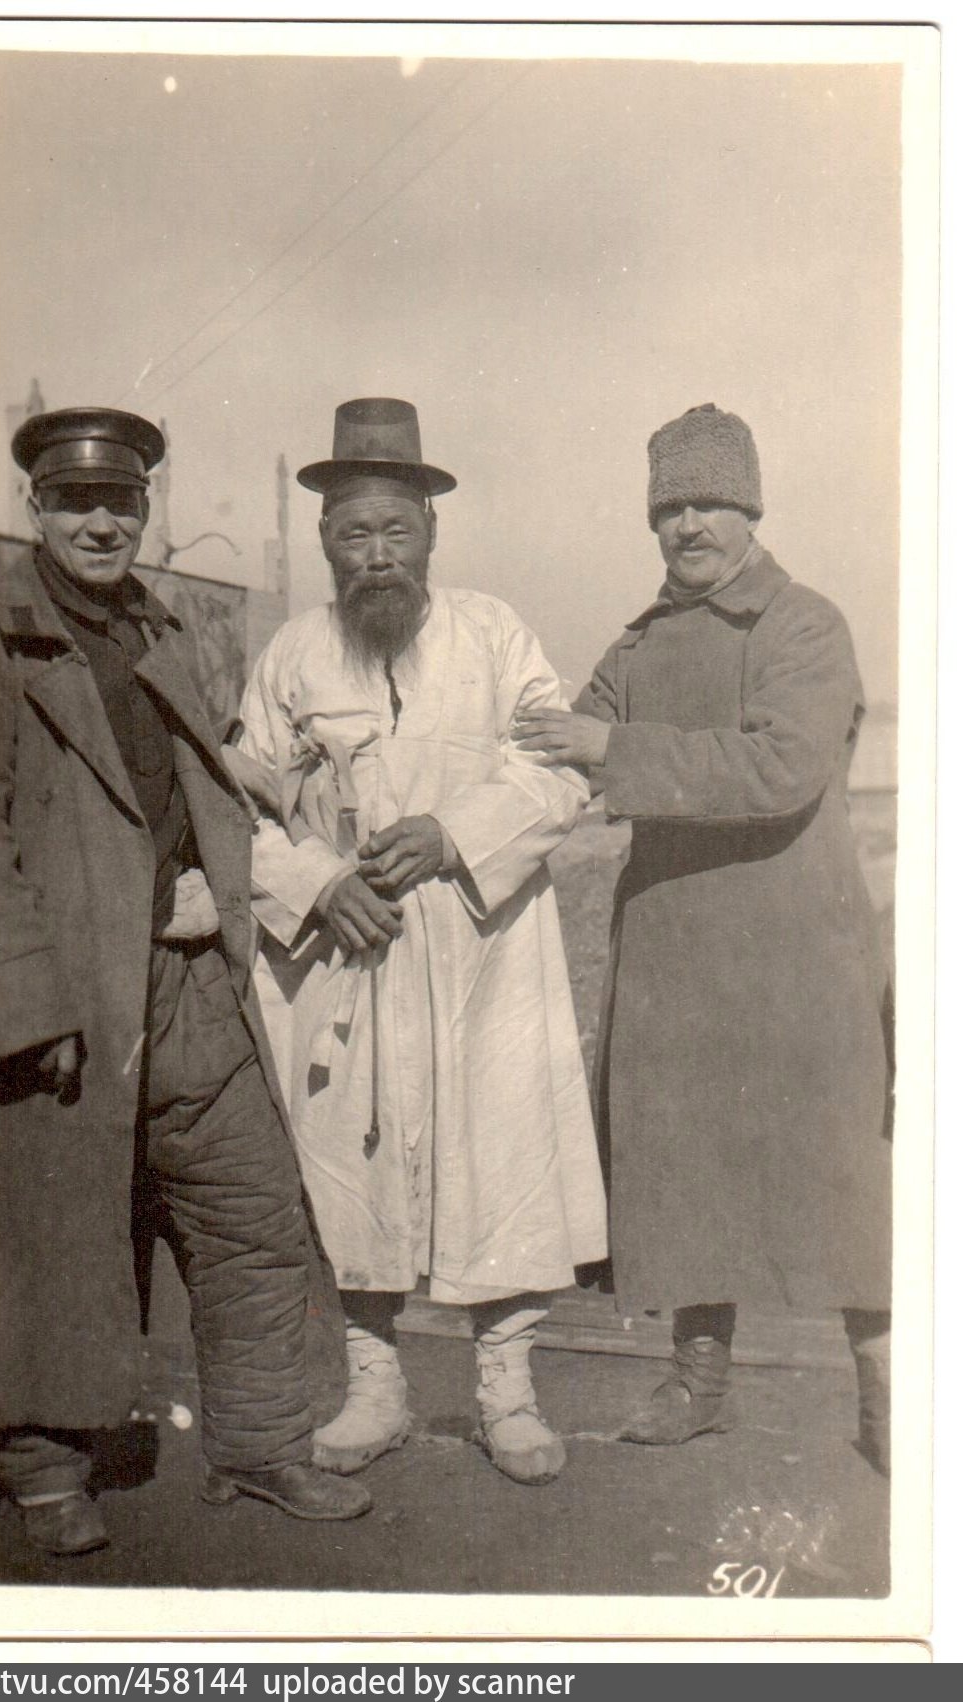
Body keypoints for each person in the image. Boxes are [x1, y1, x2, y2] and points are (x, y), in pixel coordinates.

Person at [0, 407, 370, 1558]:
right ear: (36, 509)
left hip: (189, 982)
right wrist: (23, 1001)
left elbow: (197, 779)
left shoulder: (162, 626)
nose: (101, 524)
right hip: (65, 984)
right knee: (54, 1224)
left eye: (121, 503)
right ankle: (45, 1466)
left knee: (252, 1210)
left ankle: (262, 1441)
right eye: (75, 502)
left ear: (145, 510)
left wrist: (225, 878)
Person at [229, 398, 607, 1486]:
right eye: (354, 532)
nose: (377, 554)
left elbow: (559, 770)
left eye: (397, 529)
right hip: (348, 949)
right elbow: (235, 803)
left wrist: (455, 835)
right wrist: (319, 885)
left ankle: (507, 1393)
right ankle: (375, 1387)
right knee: (351, 1163)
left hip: (484, 942)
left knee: (503, 1156)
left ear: (432, 530)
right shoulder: (292, 655)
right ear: (324, 542)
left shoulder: (495, 635)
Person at [514, 403, 893, 1474]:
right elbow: (556, 746)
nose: (688, 525)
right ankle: (698, 1377)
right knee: (684, 1165)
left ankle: (887, 1388)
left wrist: (612, 749)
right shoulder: (638, 644)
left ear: (751, 510)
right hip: (678, 953)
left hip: (796, 955)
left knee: (840, 1174)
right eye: (670, 506)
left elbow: (779, 768)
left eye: (710, 503)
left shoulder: (804, 625)